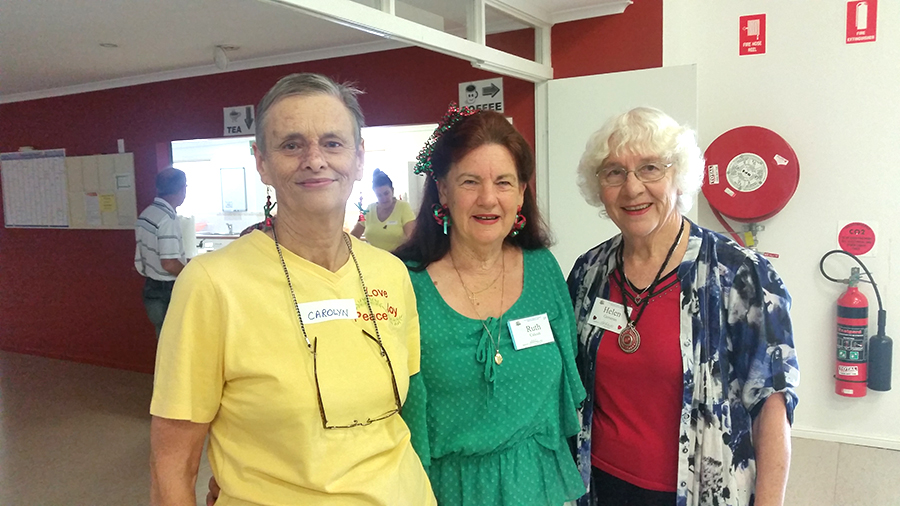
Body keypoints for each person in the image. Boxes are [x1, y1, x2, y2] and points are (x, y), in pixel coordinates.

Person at [149, 73, 436, 506]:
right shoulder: (213, 283)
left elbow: (399, 416)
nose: (315, 159)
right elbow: (173, 461)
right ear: (261, 162)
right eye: (291, 144)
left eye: (333, 143)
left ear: (359, 158)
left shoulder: (390, 273)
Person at [566, 107, 799, 506]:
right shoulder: (590, 272)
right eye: (614, 172)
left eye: (650, 168)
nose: (633, 188)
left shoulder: (740, 274)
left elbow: (771, 404)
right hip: (598, 486)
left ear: (678, 176)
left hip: (701, 491)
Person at [394, 105, 587, 506]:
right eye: (469, 181)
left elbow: (569, 387)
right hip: (444, 490)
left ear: (520, 193)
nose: (488, 198)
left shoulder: (542, 268)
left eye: (503, 182)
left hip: (538, 485)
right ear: (443, 190)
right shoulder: (404, 283)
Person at [134, 167, 188, 338]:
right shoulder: (167, 219)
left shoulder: (147, 213)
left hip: (151, 286)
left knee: (163, 339)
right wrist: (191, 274)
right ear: (181, 189)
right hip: (167, 291)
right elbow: (169, 263)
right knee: (175, 341)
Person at [351, 169, 416, 251]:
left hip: (398, 258)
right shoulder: (369, 210)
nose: (384, 198)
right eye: (379, 195)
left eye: (386, 193)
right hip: (373, 258)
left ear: (392, 190)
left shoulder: (403, 207)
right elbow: (353, 236)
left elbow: (413, 239)